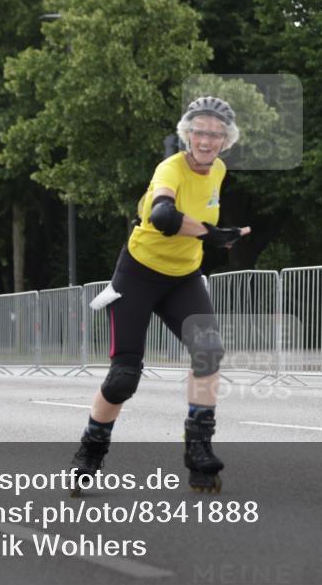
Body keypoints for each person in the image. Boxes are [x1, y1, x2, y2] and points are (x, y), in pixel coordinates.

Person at [70, 96, 250, 495]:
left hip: (183, 277)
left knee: (209, 351)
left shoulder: (218, 170)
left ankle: (199, 450)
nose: (206, 140)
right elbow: (163, 217)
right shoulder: (169, 167)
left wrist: (213, 234)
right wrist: (211, 233)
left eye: (215, 133)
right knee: (123, 379)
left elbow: (195, 218)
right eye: (199, 131)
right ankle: (90, 450)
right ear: (188, 133)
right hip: (138, 275)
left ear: (226, 140)